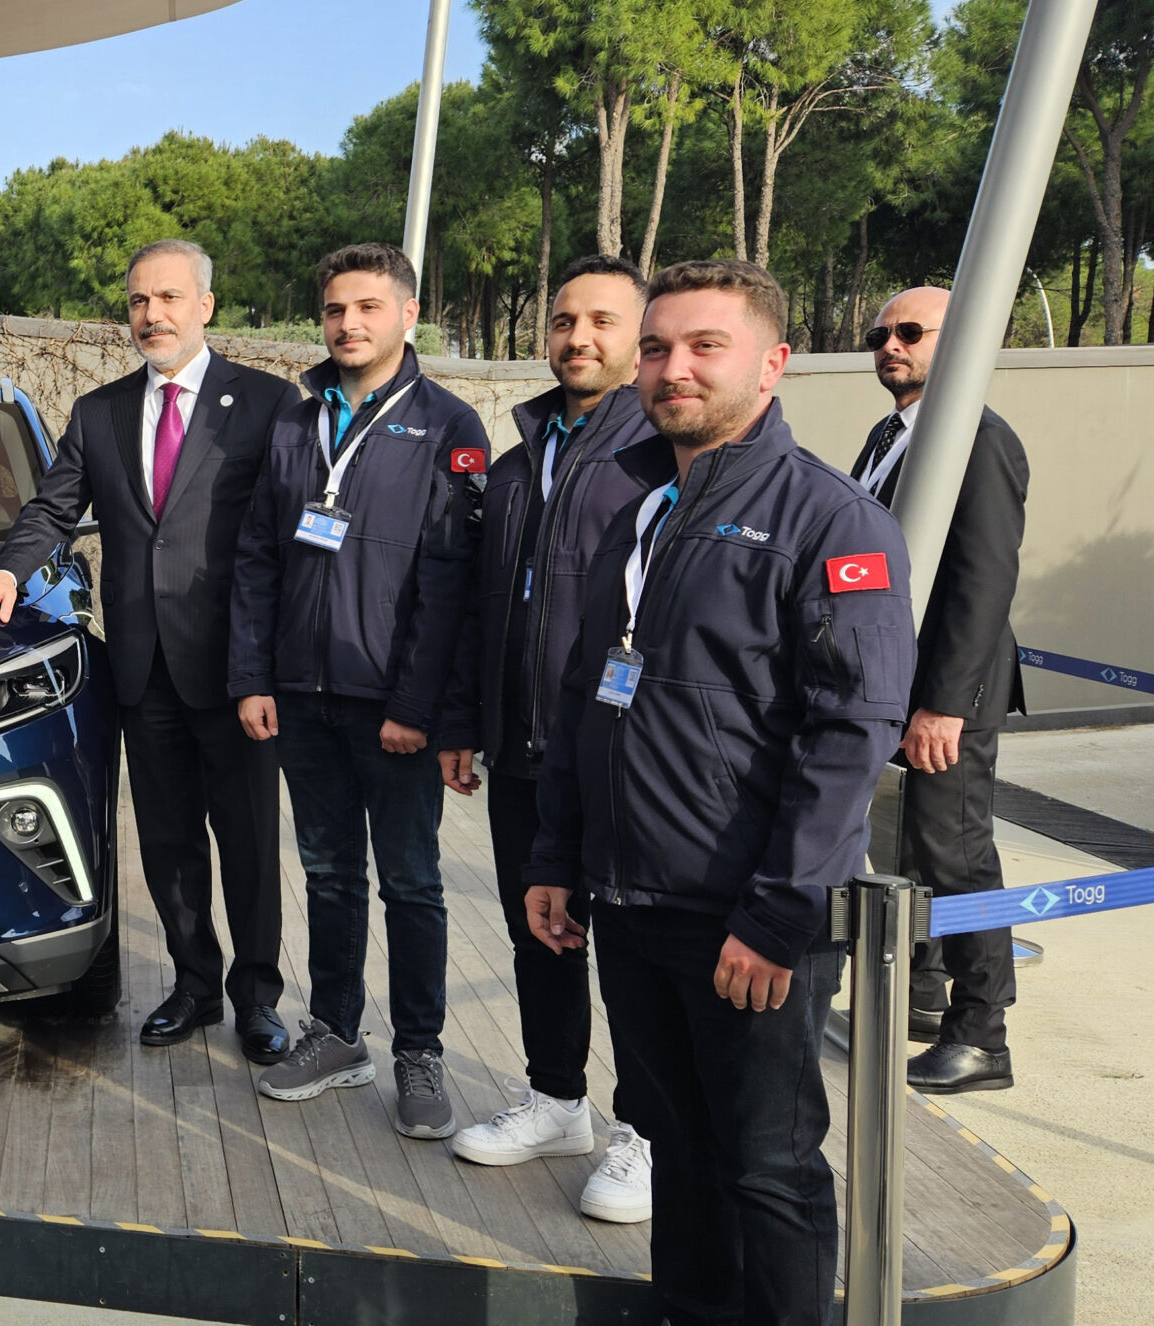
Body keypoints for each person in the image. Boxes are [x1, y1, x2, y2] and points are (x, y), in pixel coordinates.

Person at [528, 260, 914, 1326]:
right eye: (656, 348)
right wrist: (558, 855)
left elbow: (849, 736)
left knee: (766, 1167)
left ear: (773, 363)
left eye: (706, 346)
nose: (673, 369)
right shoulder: (640, 510)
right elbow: (586, 694)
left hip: (745, 918)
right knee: (679, 1147)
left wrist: (777, 915)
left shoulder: (832, 521)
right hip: (631, 903)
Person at [0, 239, 302, 1065]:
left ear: (206, 306)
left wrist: (280, 658)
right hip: (143, 671)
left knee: (249, 844)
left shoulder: (267, 403)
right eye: (139, 301)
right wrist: (6, 572)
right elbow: (52, 510)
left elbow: (284, 538)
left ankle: (257, 999)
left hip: (238, 673)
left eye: (169, 298)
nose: (152, 315)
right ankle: (194, 986)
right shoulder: (98, 413)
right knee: (169, 845)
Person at [229, 242, 484, 1140]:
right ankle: (337, 1033)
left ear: (409, 315)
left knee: (411, 884)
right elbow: (258, 557)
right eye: (336, 309)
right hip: (301, 696)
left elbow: (452, 585)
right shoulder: (296, 423)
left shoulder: (450, 426)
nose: (349, 324)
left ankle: (419, 1051)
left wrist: (417, 708)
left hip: (391, 710)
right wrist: (253, 677)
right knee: (329, 874)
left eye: (370, 307)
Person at [433, 255, 658, 1218]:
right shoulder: (519, 460)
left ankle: (645, 1132)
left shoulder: (662, 455)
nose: (579, 338)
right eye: (566, 320)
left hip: (622, 759)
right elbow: (479, 608)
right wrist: (462, 721)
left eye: (603, 321)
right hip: (525, 749)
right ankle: (558, 1101)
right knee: (543, 934)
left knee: (635, 957)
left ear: (640, 337)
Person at [851, 286, 1029, 1095]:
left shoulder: (978, 438)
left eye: (911, 332)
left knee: (956, 853)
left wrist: (945, 705)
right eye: (880, 333)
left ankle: (982, 1034)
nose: (891, 344)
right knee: (911, 847)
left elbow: (984, 580)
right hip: (892, 685)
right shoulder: (890, 434)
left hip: (948, 692)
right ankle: (922, 993)